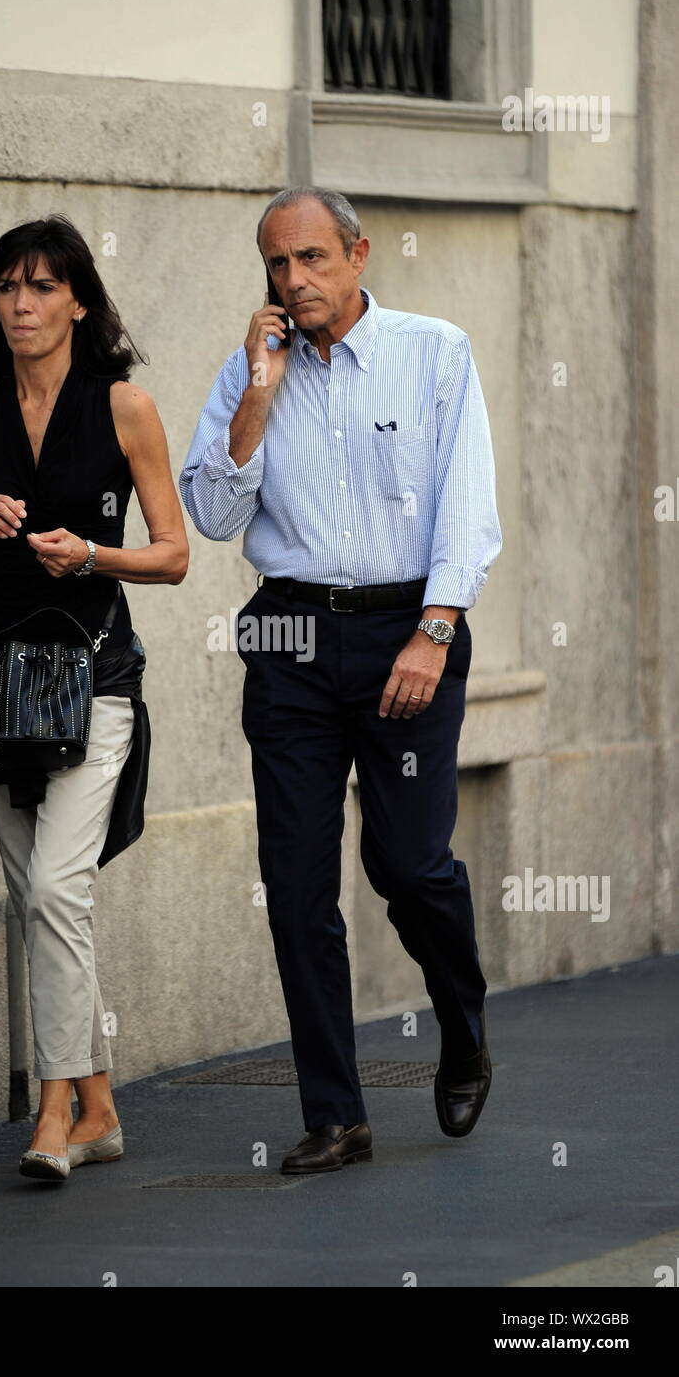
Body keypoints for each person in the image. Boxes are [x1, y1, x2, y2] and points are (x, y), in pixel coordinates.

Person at [180, 187, 502, 1175]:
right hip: (287, 633)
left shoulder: (434, 349)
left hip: (407, 627)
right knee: (294, 885)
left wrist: (433, 631)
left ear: (358, 255)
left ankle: (461, 1019)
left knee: (405, 866)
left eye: (313, 259)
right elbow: (211, 513)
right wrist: (258, 396)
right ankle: (335, 1113)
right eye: (277, 264)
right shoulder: (249, 371)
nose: (294, 281)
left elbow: (466, 504)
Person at [0, 214, 189, 1181]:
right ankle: (102, 1105)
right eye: (6, 289)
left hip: (96, 679)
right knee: (40, 899)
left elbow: (175, 555)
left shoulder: (125, 409)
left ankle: (52, 1113)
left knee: (59, 890)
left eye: (41, 287)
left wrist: (90, 555)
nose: (22, 304)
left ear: (78, 301)